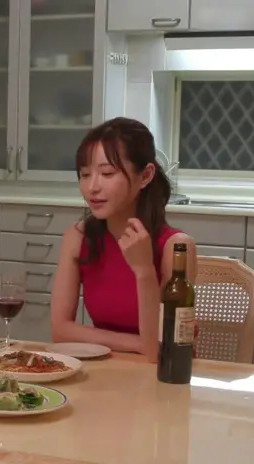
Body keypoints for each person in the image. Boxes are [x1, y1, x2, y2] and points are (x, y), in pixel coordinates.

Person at [50, 117, 197, 362]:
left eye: (107, 173)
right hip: (109, 368)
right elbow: (60, 331)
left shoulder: (177, 247)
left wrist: (144, 270)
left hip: (165, 375)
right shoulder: (78, 238)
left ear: (145, 176)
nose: (92, 187)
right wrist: (136, 343)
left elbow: (159, 351)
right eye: (85, 174)